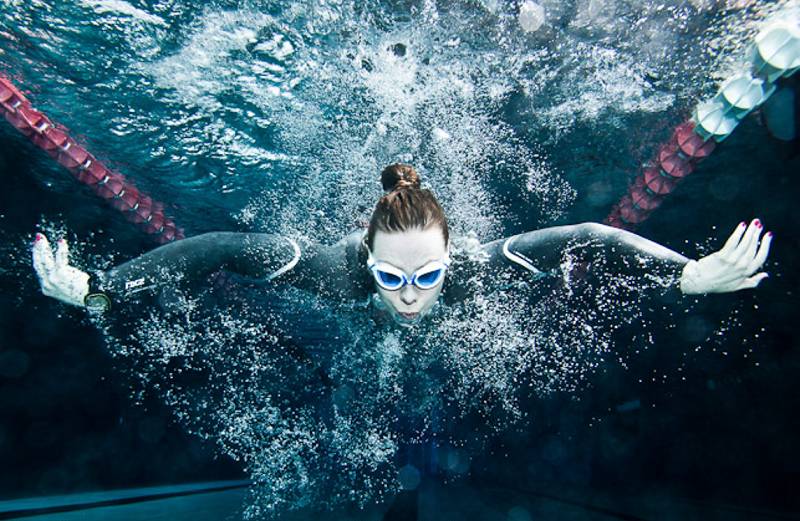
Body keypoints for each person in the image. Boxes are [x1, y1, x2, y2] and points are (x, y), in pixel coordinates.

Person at [32, 163, 772, 326]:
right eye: (391, 275)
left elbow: (590, 237)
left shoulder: (481, 273)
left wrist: (687, 277)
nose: (413, 292)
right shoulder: (334, 274)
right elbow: (219, 246)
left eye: (430, 274)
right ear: (365, 255)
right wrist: (104, 285)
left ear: (456, 256)